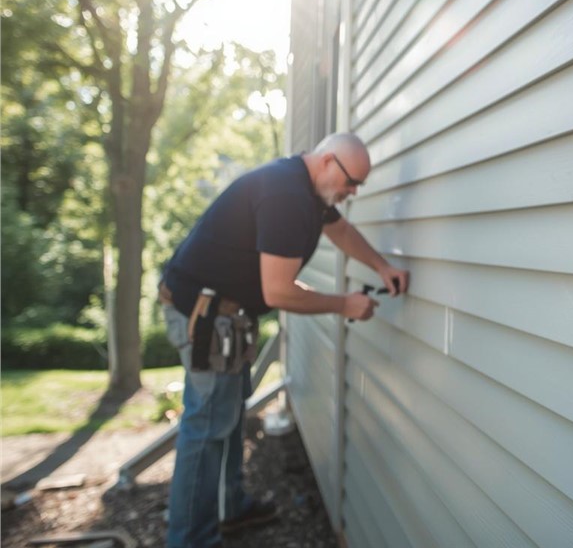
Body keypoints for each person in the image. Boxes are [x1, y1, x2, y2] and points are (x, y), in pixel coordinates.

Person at [158, 132, 408, 548]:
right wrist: (343, 303)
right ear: (328, 161)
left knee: (229, 415)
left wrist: (381, 266)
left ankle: (230, 508)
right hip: (202, 316)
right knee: (206, 428)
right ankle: (189, 540)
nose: (352, 193)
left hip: (228, 315)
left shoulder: (309, 190)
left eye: (359, 186)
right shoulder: (287, 195)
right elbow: (279, 292)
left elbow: (341, 232)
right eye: (351, 182)